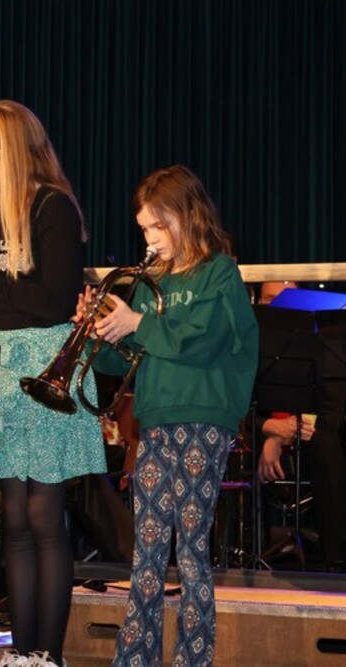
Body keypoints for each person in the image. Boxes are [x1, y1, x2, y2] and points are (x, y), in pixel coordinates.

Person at [0, 101, 106, 667]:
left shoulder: (52, 207)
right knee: (13, 519)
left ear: (7, 155)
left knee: (43, 518)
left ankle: (48, 653)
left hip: (46, 362)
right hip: (9, 367)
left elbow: (54, 301)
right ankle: (21, 650)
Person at [81, 165, 258, 666]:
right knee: (148, 550)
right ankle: (135, 658)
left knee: (192, 547)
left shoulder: (219, 272)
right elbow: (131, 358)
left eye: (159, 226)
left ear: (189, 215)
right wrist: (101, 335)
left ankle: (192, 659)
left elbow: (203, 339)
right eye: (144, 229)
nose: (151, 239)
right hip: (156, 420)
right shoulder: (151, 282)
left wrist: (136, 322)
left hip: (203, 418)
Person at [254, 280, 346, 572]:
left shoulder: (324, 350)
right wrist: (270, 431)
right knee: (324, 444)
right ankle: (336, 558)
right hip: (268, 440)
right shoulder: (251, 342)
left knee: (326, 438)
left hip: (313, 430)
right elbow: (240, 408)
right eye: (271, 300)